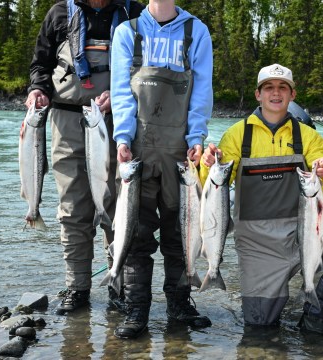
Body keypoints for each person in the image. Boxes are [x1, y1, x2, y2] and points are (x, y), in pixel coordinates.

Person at [200, 64, 323, 340]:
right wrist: (206, 163)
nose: (276, 93)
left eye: (282, 87)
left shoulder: (307, 136)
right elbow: (209, 188)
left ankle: (316, 315)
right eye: (269, 88)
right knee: (260, 330)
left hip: (304, 234)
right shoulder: (236, 135)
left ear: (292, 94)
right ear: (258, 95)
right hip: (258, 245)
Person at [26, 0, 145, 314]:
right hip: (65, 121)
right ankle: (77, 289)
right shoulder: (58, 14)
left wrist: (126, 92)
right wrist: (37, 89)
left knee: (118, 208)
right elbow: (41, 64)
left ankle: (118, 288)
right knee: (72, 209)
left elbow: (147, 69)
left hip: (120, 123)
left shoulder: (136, 12)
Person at [109, 0, 213, 339]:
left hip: (180, 150)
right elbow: (122, 91)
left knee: (179, 232)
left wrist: (197, 135)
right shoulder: (128, 32)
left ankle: (180, 304)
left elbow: (201, 89)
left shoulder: (196, 31)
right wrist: (122, 136)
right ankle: (136, 308)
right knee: (135, 234)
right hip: (137, 148)